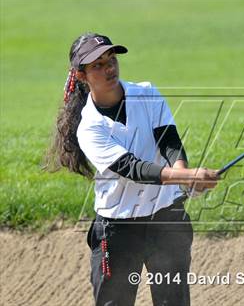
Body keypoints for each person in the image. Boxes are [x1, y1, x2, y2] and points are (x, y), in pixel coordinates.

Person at [44, 32, 219, 306]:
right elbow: (133, 168)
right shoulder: (89, 127)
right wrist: (187, 176)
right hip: (118, 231)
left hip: (166, 221)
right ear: (81, 76)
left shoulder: (146, 92)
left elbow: (169, 140)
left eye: (110, 59)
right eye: (97, 65)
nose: (109, 68)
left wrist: (185, 177)